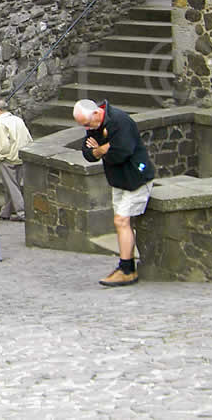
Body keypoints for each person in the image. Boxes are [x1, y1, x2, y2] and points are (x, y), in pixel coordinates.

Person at [72, 98, 155, 287]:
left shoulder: (120, 121)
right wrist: (104, 148)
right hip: (119, 181)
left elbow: (121, 152)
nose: (86, 129)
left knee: (121, 220)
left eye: (86, 124)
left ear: (95, 113)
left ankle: (127, 270)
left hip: (136, 178)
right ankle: (126, 266)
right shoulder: (93, 125)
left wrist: (100, 149)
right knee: (121, 222)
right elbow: (87, 152)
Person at [0, 99, 33, 222]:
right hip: (20, 157)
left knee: (12, 187)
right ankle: (5, 212)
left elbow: (2, 146)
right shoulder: (18, 120)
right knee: (12, 185)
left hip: (7, 159)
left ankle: (22, 212)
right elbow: (28, 138)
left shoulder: (0, 123)